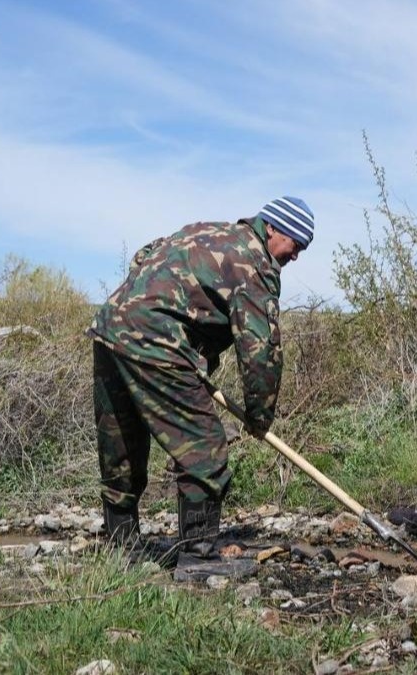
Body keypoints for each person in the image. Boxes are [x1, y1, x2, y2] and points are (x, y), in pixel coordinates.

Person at [87, 196, 315, 558]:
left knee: (122, 443)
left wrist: (188, 339)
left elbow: (144, 256)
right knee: (204, 446)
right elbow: (260, 353)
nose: (296, 255)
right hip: (155, 343)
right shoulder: (255, 264)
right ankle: (199, 553)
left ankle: (121, 547)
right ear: (271, 228)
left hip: (111, 327)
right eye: (296, 244)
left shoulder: (206, 231)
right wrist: (260, 416)